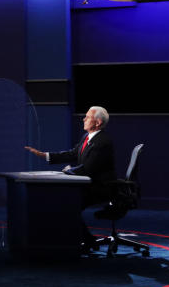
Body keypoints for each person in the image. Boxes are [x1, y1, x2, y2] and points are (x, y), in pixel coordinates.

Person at [25, 105, 116, 247]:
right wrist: (45, 155)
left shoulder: (103, 142)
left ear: (97, 123)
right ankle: (86, 240)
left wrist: (68, 170)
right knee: (64, 202)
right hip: (89, 185)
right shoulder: (87, 137)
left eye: (88, 117)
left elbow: (88, 169)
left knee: (67, 203)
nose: (84, 119)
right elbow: (72, 153)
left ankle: (85, 241)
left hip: (100, 188)